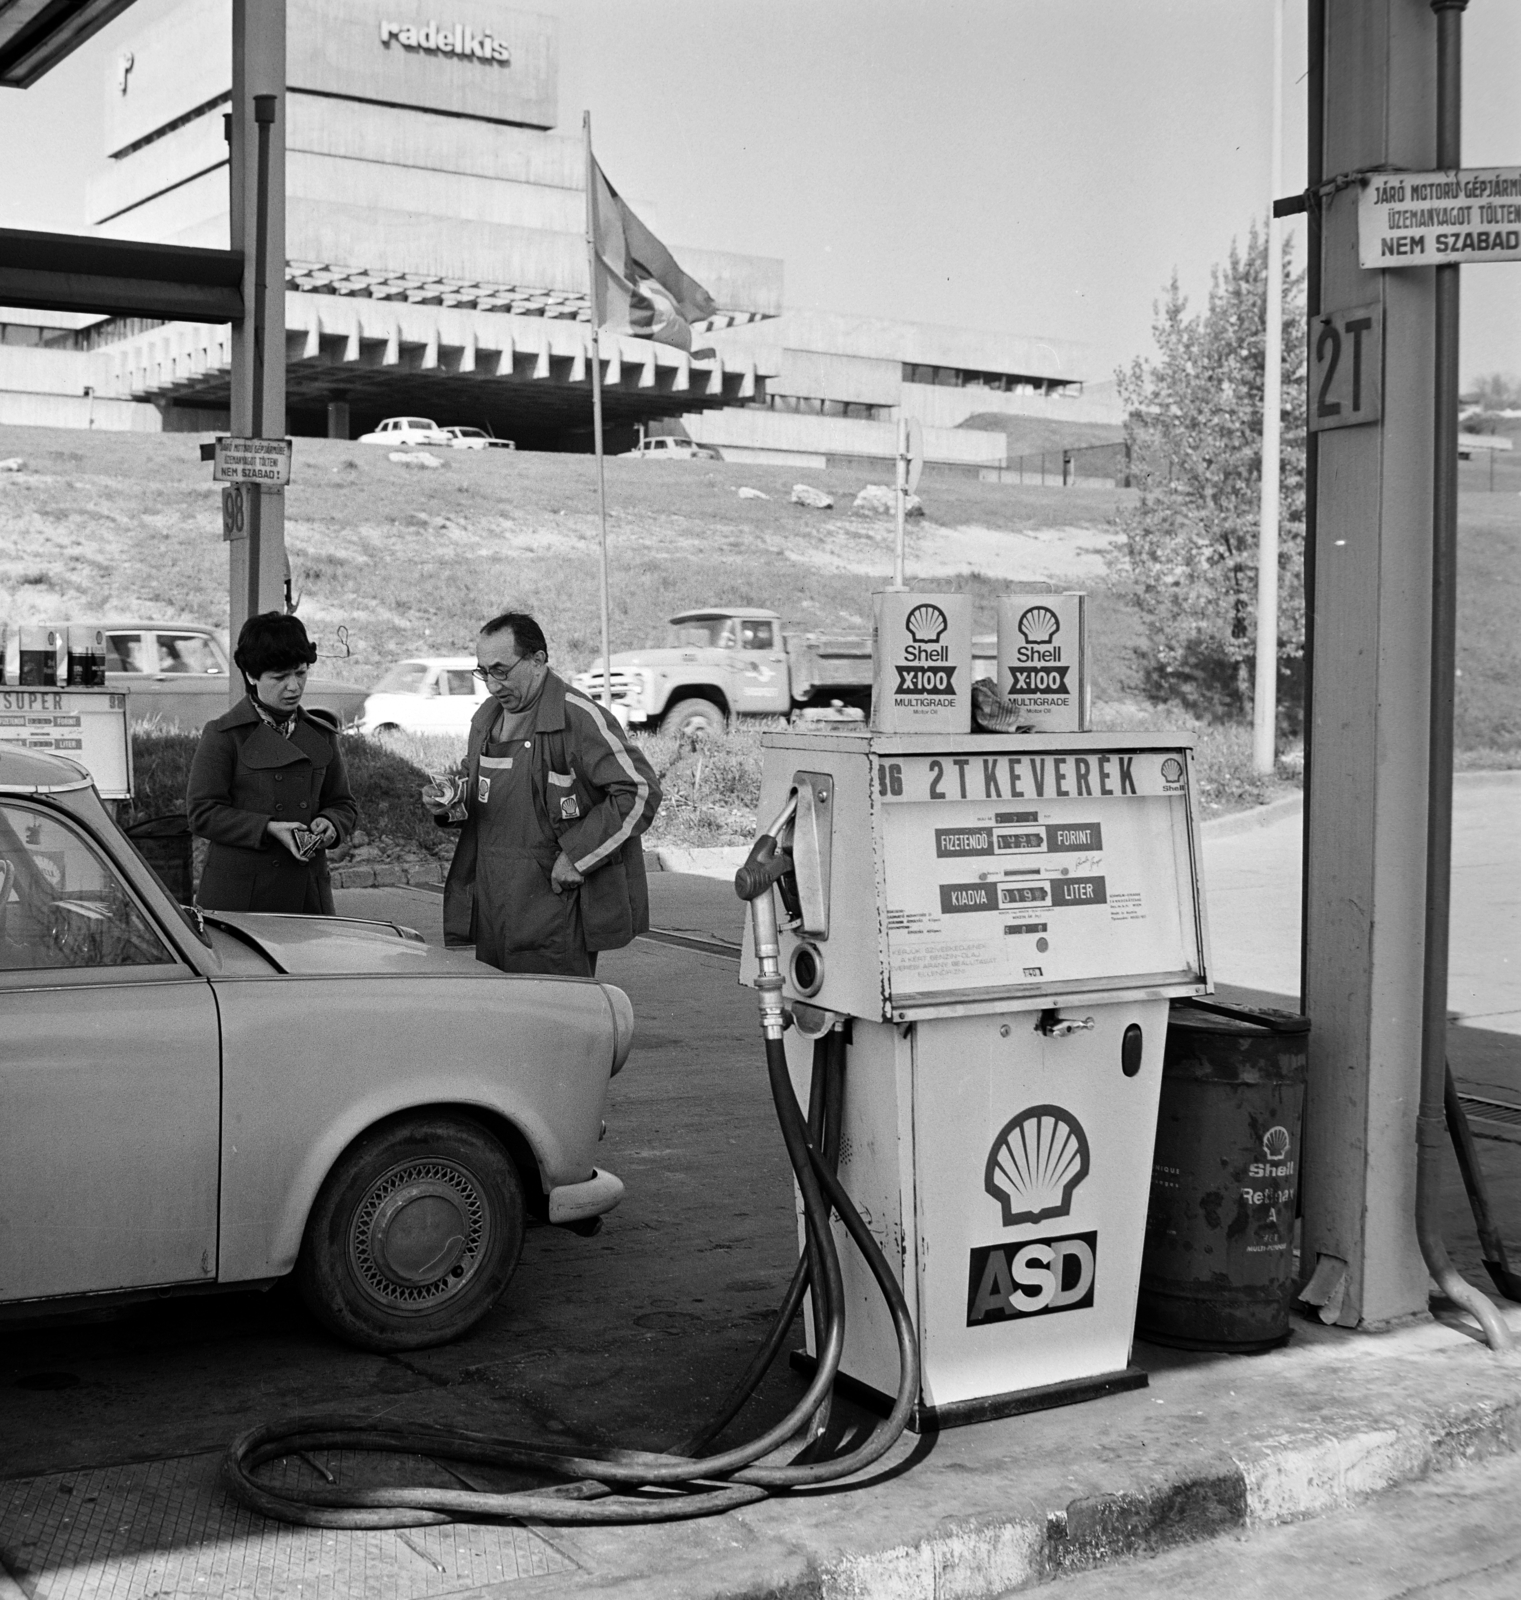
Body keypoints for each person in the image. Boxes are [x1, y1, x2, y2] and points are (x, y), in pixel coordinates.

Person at [432, 610, 661, 976]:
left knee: (554, 1020)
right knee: (503, 1016)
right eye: (483, 671)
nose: (491, 685)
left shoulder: (579, 718)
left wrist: (578, 855)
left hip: (554, 911)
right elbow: (477, 787)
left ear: (538, 661)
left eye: (501, 670)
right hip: (494, 902)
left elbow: (640, 791)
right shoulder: (486, 718)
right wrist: (449, 800)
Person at [187, 612, 357, 914]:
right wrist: (268, 828)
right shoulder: (224, 735)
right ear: (252, 676)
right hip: (240, 898)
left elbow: (343, 804)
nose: (294, 687)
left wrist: (331, 824)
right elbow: (202, 813)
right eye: (279, 677)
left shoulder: (321, 734)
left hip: (308, 896)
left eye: (301, 673)